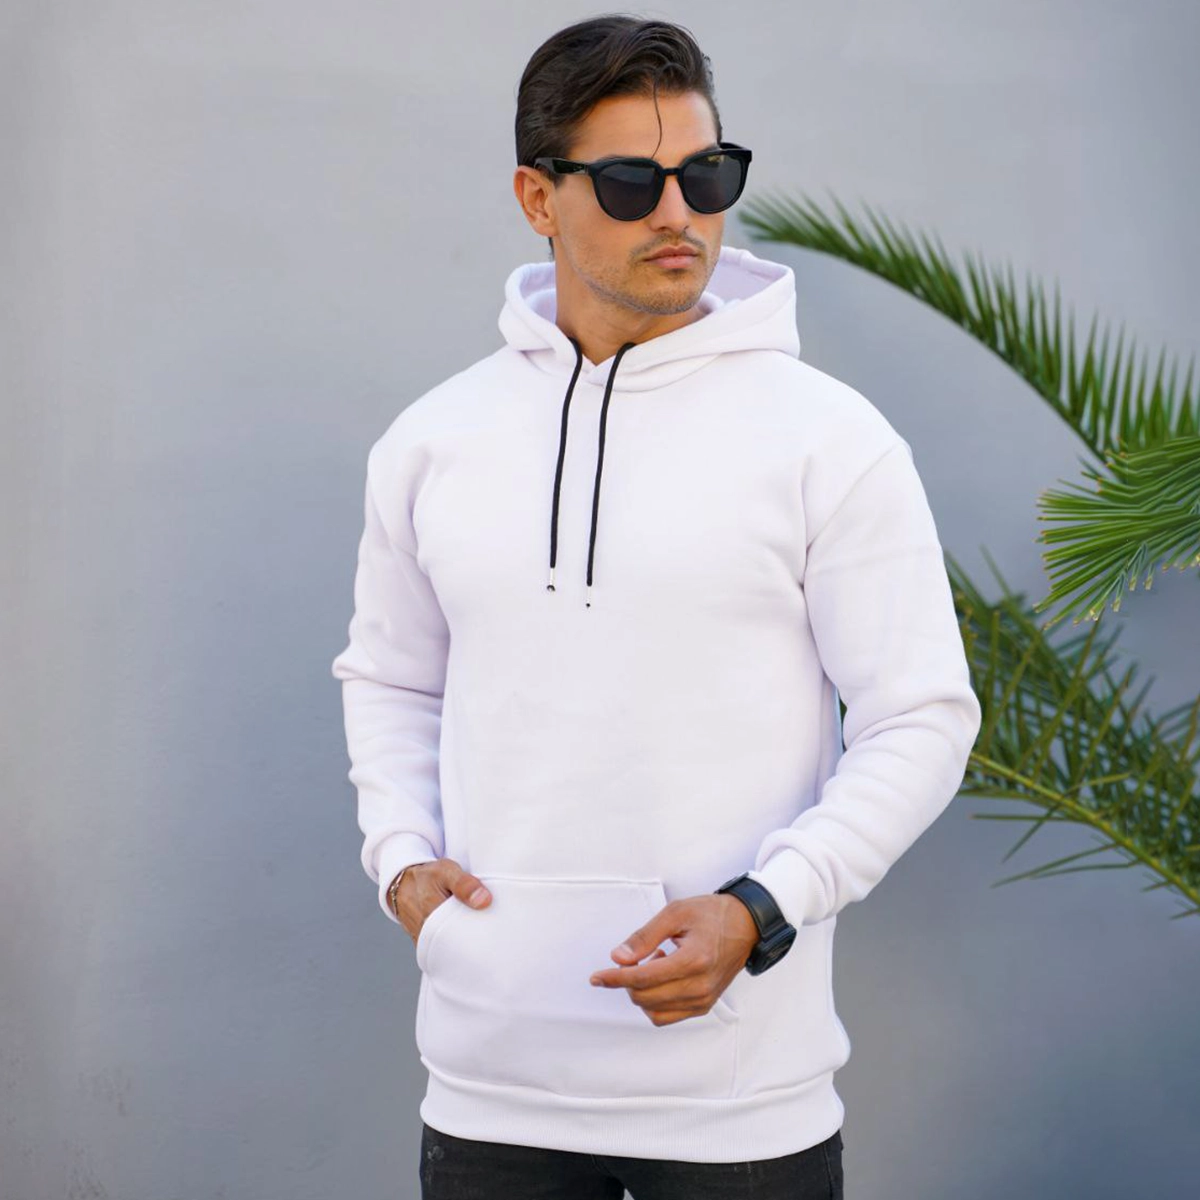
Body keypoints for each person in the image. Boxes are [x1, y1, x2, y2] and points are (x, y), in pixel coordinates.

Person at [330, 14, 982, 1199]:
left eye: (707, 176)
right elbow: (389, 677)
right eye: (632, 182)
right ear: (538, 198)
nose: (680, 214)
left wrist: (764, 908)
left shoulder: (829, 440)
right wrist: (401, 861)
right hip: (486, 1092)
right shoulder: (433, 441)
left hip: (739, 1103)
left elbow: (922, 717)